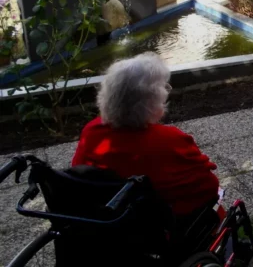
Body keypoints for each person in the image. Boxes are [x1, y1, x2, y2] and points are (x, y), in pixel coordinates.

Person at [72, 52, 219, 218]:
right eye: (164, 87)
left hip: (100, 224)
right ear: (152, 100)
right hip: (151, 230)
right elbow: (209, 186)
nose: (166, 91)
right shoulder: (169, 140)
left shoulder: (91, 132)